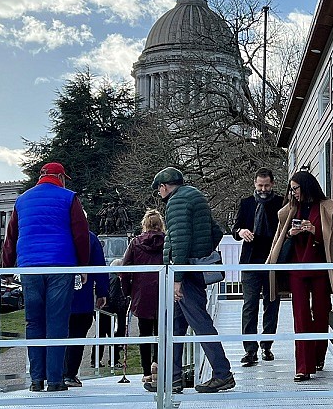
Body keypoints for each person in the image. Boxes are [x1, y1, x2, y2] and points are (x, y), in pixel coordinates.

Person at [2, 161, 90, 393]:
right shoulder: (69, 197)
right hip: (60, 264)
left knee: (34, 321)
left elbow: (11, 236)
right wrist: (83, 266)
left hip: (30, 265)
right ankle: (55, 380)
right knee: (57, 322)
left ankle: (35, 380)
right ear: (60, 177)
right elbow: (80, 233)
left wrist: (7, 268)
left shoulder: (22, 200)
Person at [148, 167, 234, 394]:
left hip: (185, 272)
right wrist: (203, 252)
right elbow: (215, 232)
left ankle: (222, 373)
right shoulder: (196, 195)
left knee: (200, 322)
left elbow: (179, 242)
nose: (159, 194)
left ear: (164, 187)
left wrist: (177, 278)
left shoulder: (175, 203)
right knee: (176, 324)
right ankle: (172, 378)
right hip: (195, 268)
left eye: (159, 189)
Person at [267, 170, 333, 382]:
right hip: (296, 268)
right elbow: (280, 237)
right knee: (301, 317)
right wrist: (291, 233)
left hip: (321, 269)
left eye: (295, 188)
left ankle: (318, 356)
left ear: (306, 186)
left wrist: (314, 230)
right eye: (291, 189)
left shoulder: (326, 207)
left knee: (322, 314)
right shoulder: (290, 210)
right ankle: (303, 368)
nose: (293, 193)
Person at [231, 167, 283, 366]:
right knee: (249, 305)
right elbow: (235, 228)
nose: (263, 189)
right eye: (260, 185)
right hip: (250, 260)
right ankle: (250, 350)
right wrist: (241, 231)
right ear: (254, 183)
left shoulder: (280, 203)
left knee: (272, 304)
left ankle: (267, 345)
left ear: (272, 184)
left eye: (267, 185)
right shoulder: (246, 203)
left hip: (273, 260)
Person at [121, 209, 165, 384]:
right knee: (162, 332)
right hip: (162, 292)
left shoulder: (135, 243)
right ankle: (158, 364)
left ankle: (146, 371)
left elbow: (124, 270)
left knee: (144, 333)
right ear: (161, 225)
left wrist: (128, 291)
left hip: (142, 294)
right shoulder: (167, 242)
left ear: (144, 225)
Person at [64, 230, 109, 387]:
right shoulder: (90, 238)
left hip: (56, 296)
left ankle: (54, 373)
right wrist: (102, 292)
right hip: (81, 295)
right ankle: (69, 374)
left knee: (57, 334)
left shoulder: (57, 234)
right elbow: (99, 265)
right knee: (77, 334)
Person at [98, 258, 129, 368]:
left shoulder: (107, 277)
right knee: (115, 337)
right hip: (112, 312)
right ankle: (114, 360)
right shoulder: (116, 280)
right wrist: (123, 307)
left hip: (103, 311)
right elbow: (115, 296)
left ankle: (95, 359)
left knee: (100, 335)